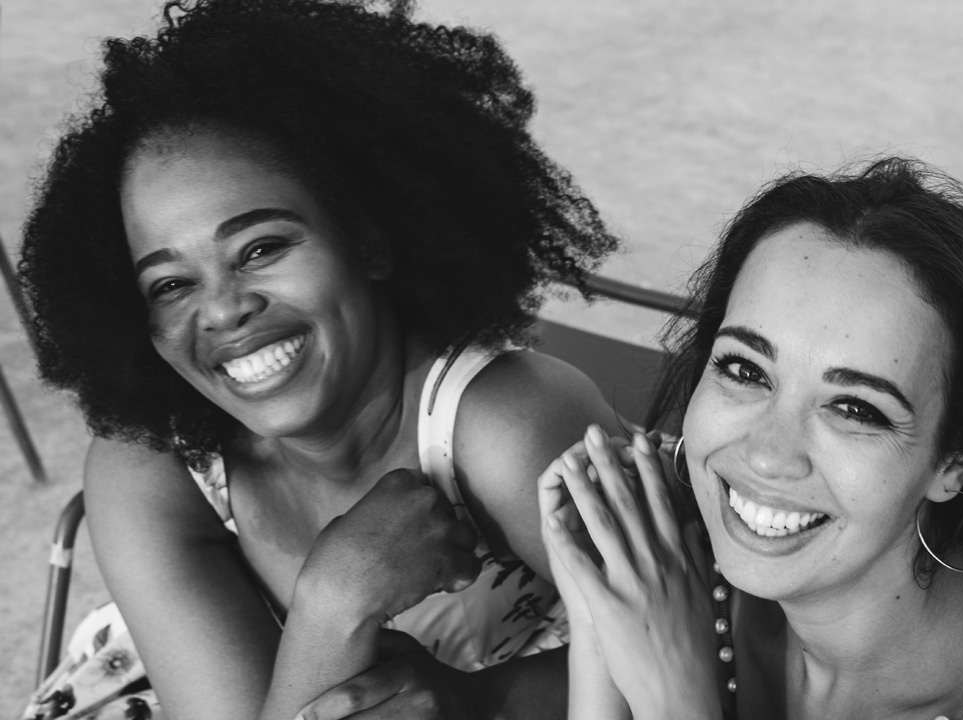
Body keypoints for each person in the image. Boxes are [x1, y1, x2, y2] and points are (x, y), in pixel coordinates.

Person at [18, 1, 623, 718]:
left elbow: (710, 654)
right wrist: (335, 604)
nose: (223, 310)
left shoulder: (508, 431)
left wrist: (482, 699)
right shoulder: (150, 468)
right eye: (171, 285)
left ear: (369, 239)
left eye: (262, 248)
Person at [538, 157, 963, 720]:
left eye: (856, 409)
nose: (767, 456)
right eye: (745, 370)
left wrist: (675, 700)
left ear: (953, 461)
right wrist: (599, 623)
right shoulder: (676, 578)